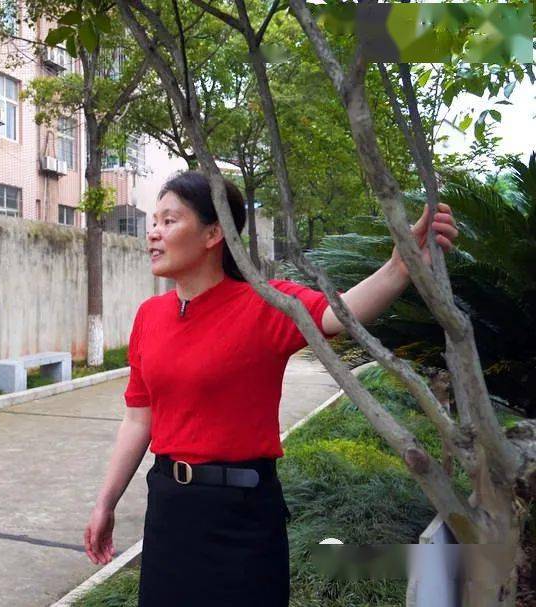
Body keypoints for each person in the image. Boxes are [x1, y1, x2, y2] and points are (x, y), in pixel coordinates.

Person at [83, 171, 458, 606]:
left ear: (213, 233)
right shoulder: (149, 316)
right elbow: (138, 418)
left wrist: (399, 268)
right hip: (171, 510)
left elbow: (339, 314)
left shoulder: (264, 304)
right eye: (153, 221)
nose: (153, 233)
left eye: (169, 221)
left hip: (243, 513)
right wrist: (105, 503)